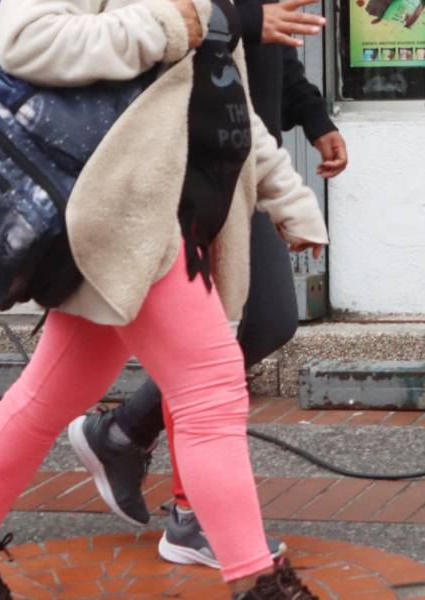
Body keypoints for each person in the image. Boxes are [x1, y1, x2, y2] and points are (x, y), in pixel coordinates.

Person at [0, 0, 325, 597]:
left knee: (56, 389)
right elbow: (26, 39)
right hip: (125, 215)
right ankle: (259, 583)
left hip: (155, 214)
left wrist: (287, 196)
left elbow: (222, 98)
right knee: (211, 389)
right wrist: (167, 26)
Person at [64, 0, 348, 570]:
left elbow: (270, 54)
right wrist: (244, 20)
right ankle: (189, 512)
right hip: (180, 171)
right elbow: (181, 28)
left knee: (263, 324)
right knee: (214, 351)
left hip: (239, 159)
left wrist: (315, 119)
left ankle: (121, 435)